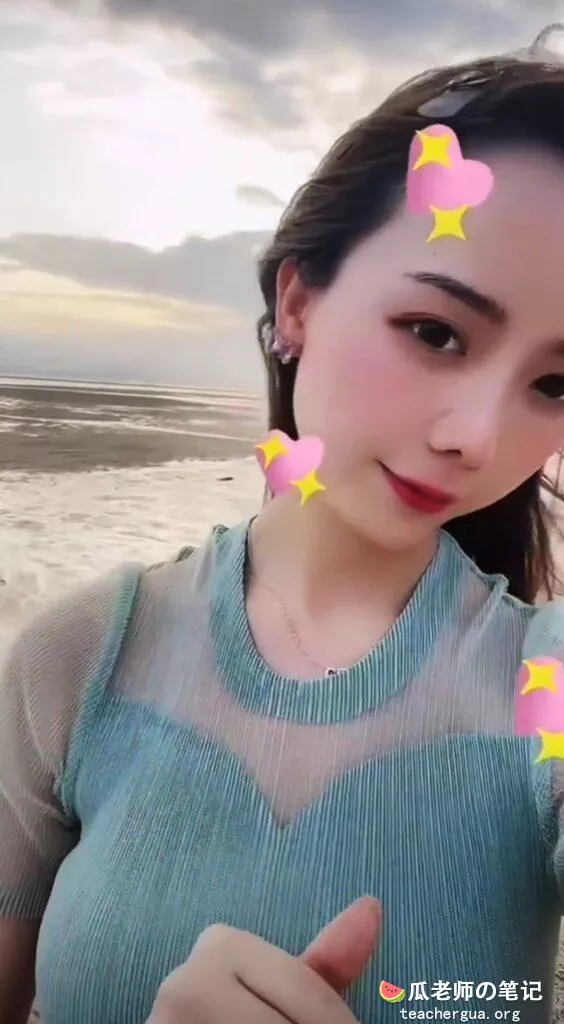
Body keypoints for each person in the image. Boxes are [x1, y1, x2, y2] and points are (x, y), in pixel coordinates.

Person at [5, 26, 564, 1024]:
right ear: (298, 303)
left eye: (556, 385)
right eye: (435, 332)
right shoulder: (83, 656)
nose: (478, 438)